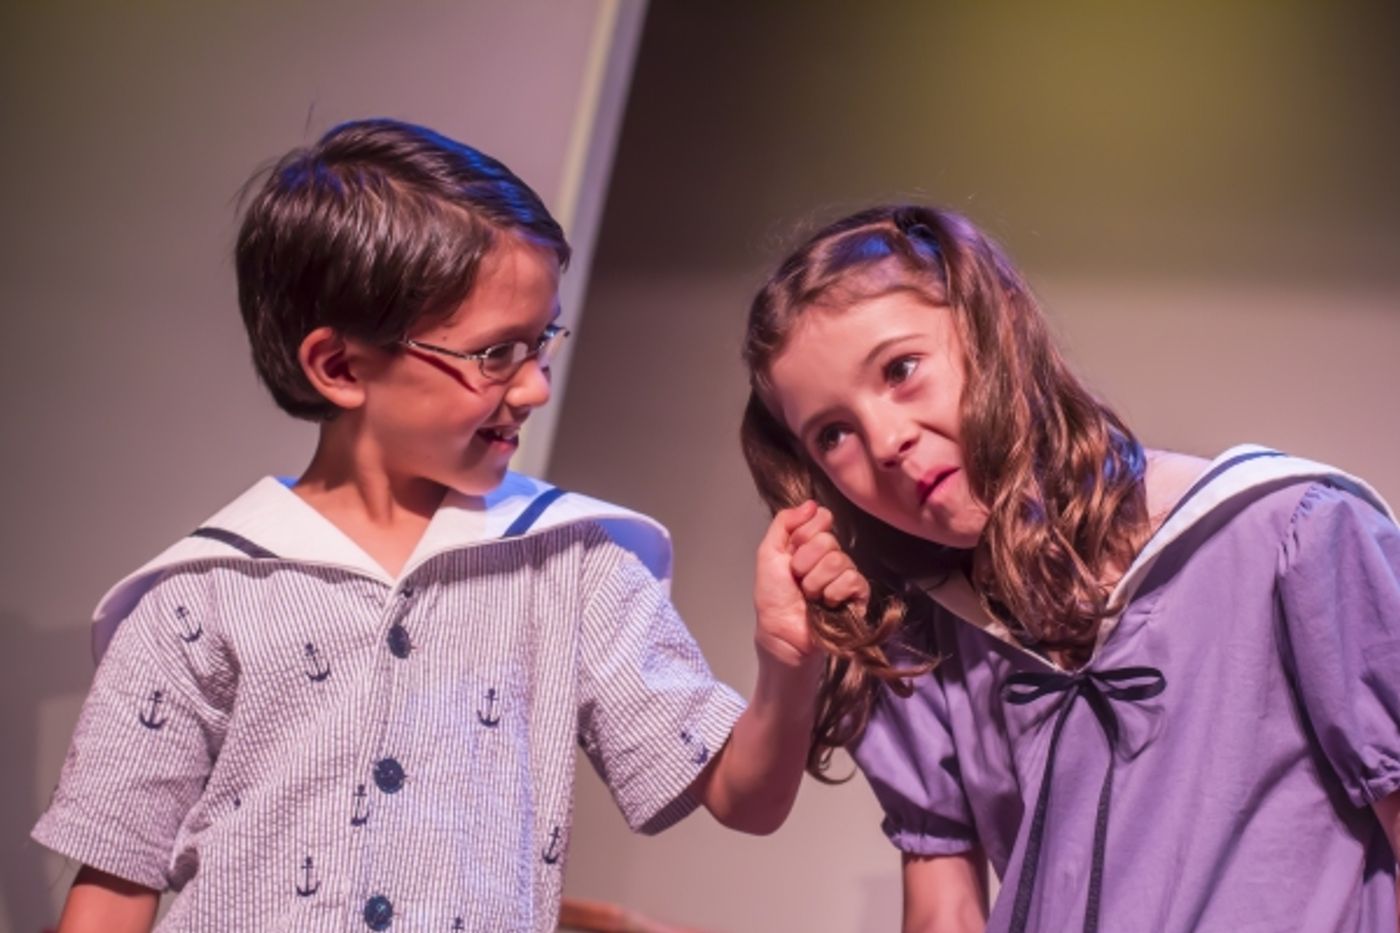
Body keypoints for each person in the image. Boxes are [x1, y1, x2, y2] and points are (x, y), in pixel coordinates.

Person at [32, 118, 857, 933]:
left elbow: (744, 797)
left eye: (542, 345)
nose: (532, 386)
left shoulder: (571, 562)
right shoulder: (199, 596)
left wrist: (787, 666)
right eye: (496, 353)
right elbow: (114, 886)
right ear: (340, 366)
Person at [739, 203, 1400, 932]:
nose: (886, 439)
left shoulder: (1291, 533)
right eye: (833, 433)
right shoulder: (923, 646)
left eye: (901, 369)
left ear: (999, 328)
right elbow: (944, 916)